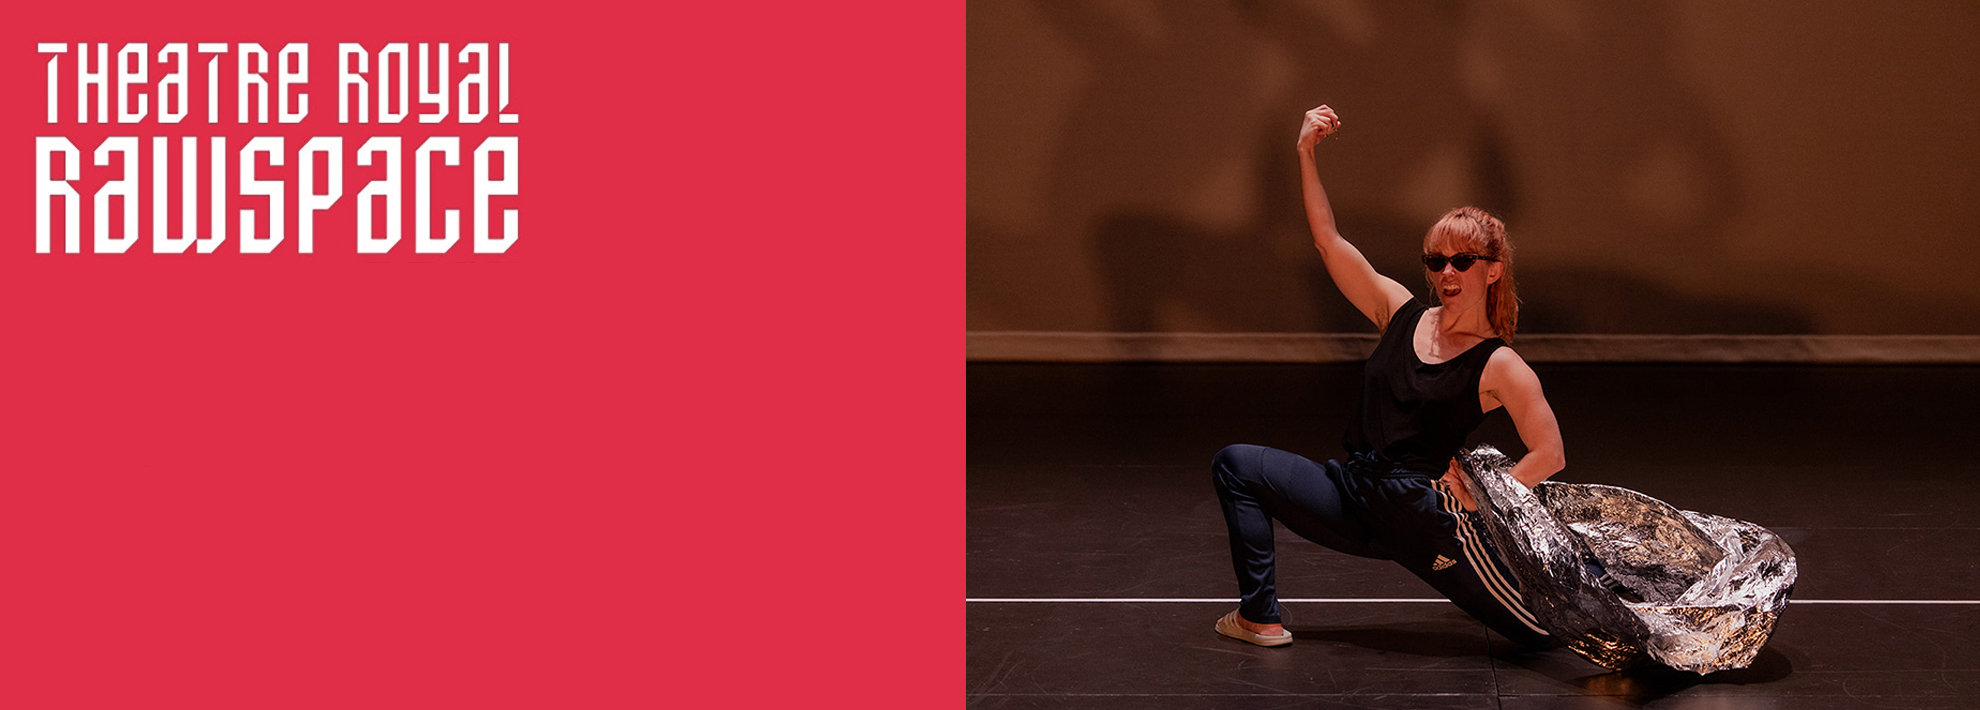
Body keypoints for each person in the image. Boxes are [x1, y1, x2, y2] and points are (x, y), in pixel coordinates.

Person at [1210, 104, 1566, 650]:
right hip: (1355, 493)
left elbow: (1549, 453)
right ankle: (1259, 617)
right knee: (1236, 464)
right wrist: (1305, 152)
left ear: (1493, 270)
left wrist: (1485, 501)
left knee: (1548, 633)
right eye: (1435, 261)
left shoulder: (1498, 364)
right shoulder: (1398, 312)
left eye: (1462, 261)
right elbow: (1328, 241)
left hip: (1420, 517)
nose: (1447, 272)